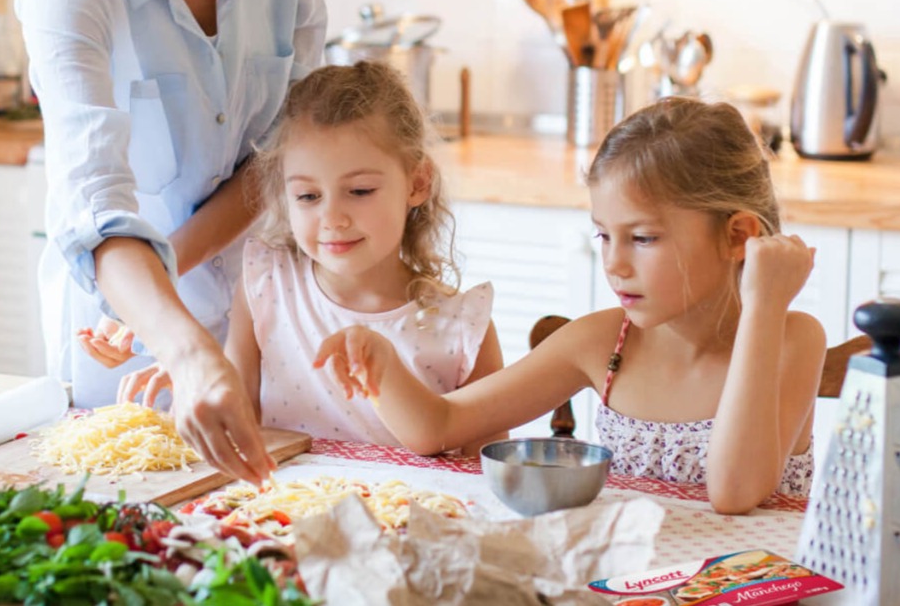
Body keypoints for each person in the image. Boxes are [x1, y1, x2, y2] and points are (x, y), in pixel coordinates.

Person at [316, 98, 826, 514]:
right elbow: (438, 426)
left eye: (643, 238)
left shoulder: (790, 338)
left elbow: (735, 493)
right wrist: (381, 362)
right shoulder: (605, 343)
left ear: (737, 235)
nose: (614, 264)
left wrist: (763, 305)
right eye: (604, 235)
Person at [14, 0, 325, 485]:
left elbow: (283, 150)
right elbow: (94, 207)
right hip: (121, 343)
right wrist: (184, 350)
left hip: (262, 325)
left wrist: (179, 275)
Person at [118, 62, 507, 455]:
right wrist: (195, 382)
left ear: (417, 182)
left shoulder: (464, 327)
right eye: (308, 196)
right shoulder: (264, 284)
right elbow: (240, 423)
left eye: (360, 190)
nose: (333, 219)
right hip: (281, 515)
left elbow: (484, 482)